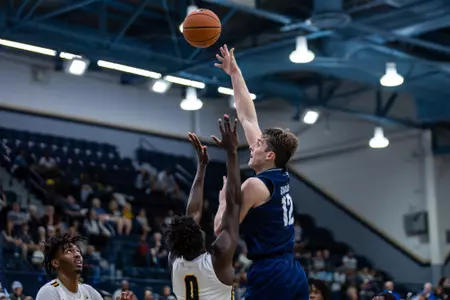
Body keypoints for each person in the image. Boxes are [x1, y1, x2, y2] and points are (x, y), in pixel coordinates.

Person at [214, 44, 308, 300]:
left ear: (269, 155)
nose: (252, 144)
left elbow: (222, 233)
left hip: (271, 274)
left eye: (259, 144)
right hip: (293, 270)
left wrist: (223, 203)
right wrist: (235, 73)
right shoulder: (280, 172)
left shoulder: (254, 187)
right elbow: (248, 118)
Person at [165, 115, 241, 300]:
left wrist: (202, 166)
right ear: (199, 235)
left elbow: (193, 214)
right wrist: (231, 152)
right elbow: (233, 203)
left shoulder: (174, 262)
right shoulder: (218, 259)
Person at [36, 234, 136, 300]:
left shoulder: (89, 291)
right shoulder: (49, 291)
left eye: (78, 251)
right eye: (69, 251)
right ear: (56, 263)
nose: (77, 255)